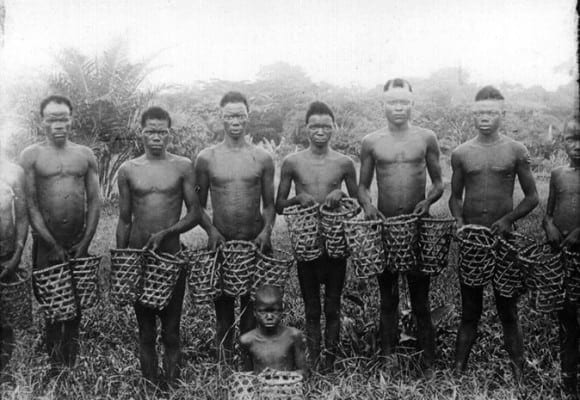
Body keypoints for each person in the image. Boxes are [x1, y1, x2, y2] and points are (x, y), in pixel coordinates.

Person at [116, 106, 219, 386]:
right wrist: (123, 263)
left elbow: (195, 212)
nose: (157, 137)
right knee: (146, 331)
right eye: (151, 131)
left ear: (169, 133)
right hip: (140, 258)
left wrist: (166, 232)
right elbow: (125, 219)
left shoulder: (183, 165)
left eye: (162, 131)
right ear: (142, 133)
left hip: (171, 259)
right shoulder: (128, 170)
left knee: (171, 330)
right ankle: (150, 386)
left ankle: (171, 386)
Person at [449, 86, 539, 381]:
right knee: (470, 311)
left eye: (491, 112)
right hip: (473, 241)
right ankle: (458, 374)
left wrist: (508, 219)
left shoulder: (516, 150)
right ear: (472, 115)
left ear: (503, 114)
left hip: (504, 241)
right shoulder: (462, 153)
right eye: (479, 112)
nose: (484, 117)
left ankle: (519, 374)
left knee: (508, 310)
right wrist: (459, 220)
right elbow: (455, 197)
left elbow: (532, 197)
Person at [358, 79, 444, 375]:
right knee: (388, 298)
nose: (398, 107)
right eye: (392, 102)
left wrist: (428, 201)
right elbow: (362, 187)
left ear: (412, 103)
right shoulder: (371, 142)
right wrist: (368, 206)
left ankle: (430, 362)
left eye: (404, 102)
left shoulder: (426, 138)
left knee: (421, 298)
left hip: (417, 228)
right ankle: (387, 360)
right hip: (385, 229)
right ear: (382, 104)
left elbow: (439, 183)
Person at [19, 95, 101, 375]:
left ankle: (72, 363)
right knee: (53, 307)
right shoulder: (32, 155)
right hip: (46, 245)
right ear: (42, 121)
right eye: (52, 118)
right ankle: (56, 368)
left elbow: (95, 202)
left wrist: (86, 242)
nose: (58, 124)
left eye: (63, 117)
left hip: (78, 242)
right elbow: (30, 203)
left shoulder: (84, 155)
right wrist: (50, 242)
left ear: (71, 119)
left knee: (76, 307)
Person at [275, 101, 357, 371]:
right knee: (312, 309)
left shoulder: (344, 163)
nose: (320, 131)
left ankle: (330, 365)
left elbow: (357, 203)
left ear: (334, 128)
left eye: (326, 125)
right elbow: (279, 205)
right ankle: (313, 359)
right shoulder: (292, 162)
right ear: (306, 129)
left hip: (335, 247)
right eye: (314, 126)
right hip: (307, 247)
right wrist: (298, 197)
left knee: (333, 308)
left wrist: (341, 194)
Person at [194, 91, 276, 363]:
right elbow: (198, 205)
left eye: (240, 115)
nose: (235, 120)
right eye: (229, 115)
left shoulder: (262, 158)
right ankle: (224, 366)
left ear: (248, 116)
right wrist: (211, 230)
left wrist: (266, 231)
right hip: (222, 244)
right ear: (221, 118)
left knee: (253, 309)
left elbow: (268, 204)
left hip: (255, 243)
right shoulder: (207, 158)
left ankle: (249, 366)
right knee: (223, 310)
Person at [543, 116, 580, 398]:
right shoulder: (558, 174)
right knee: (566, 316)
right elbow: (548, 212)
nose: (576, 146)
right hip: (563, 256)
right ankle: (568, 380)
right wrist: (550, 226)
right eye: (570, 139)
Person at [0, 151, 28, 374]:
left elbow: (22, 216)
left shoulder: (13, 173)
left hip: (5, 257)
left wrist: (17, 254)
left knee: (6, 322)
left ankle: (4, 373)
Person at [240, 285, 307, 376]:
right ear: (255, 312)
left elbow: (304, 372)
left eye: (274, 311)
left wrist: (281, 376)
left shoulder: (293, 336)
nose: (269, 317)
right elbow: (247, 375)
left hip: (288, 387)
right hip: (260, 388)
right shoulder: (247, 340)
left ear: (281, 311)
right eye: (263, 312)